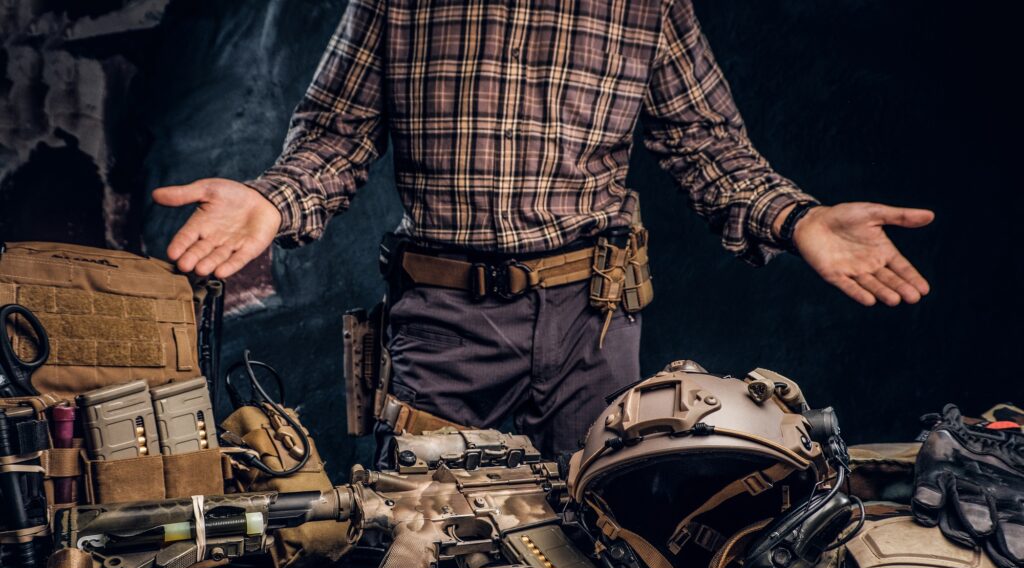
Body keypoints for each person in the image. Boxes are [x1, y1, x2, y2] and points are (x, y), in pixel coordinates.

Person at [153, 0, 933, 459]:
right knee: (424, 543)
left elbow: (708, 146)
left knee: (602, 543)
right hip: (443, 321)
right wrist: (275, 199)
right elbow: (335, 134)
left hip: (592, 326)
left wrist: (797, 216)